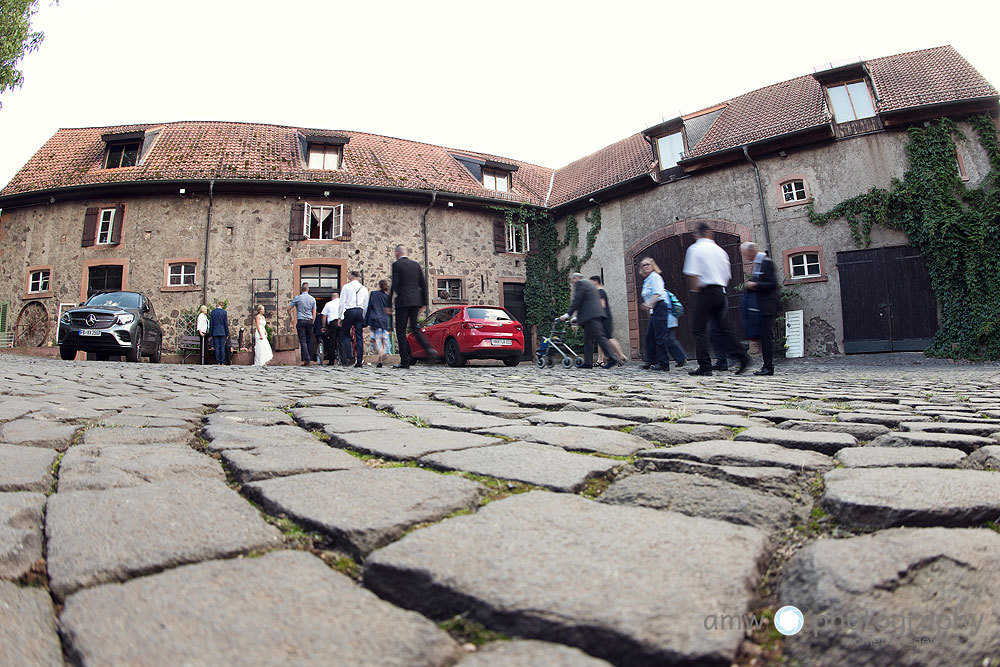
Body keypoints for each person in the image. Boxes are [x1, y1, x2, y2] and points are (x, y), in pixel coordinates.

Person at [682, 222, 751, 376]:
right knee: (722, 329)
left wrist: (696, 291)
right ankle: (742, 356)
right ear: (710, 233)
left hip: (704, 292)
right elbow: (727, 275)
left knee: (698, 330)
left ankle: (705, 367)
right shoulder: (721, 251)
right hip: (720, 291)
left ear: (696, 234)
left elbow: (692, 274)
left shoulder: (695, 249)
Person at [387, 244, 435, 369]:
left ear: (397, 253)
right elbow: (423, 284)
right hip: (415, 301)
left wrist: (388, 303)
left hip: (403, 301)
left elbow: (394, 284)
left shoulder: (397, 265)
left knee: (401, 331)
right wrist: (424, 302)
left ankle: (405, 361)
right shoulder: (416, 265)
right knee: (414, 328)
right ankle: (428, 349)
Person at [560, 273, 620, 369]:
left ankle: (613, 358)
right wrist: (577, 318)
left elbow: (577, 300)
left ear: (576, 278)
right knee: (588, 339)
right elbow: (586, 302)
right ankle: (588, 362)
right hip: (592, 315)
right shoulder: (590, 285)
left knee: (600, 337)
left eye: (572, 281)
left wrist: (568, 314)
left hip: (591, 316)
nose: (573, 283)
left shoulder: (580, 283)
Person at [741, 241, 778, 376]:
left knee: (766, 337)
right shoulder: (758, 264)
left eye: (745, 254)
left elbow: (772, 283)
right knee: (763, 337)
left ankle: (768, 367)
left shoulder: (766, 262)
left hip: (767, 306)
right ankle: (766, 365)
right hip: (761, 306)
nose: (745, 257)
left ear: (752, 251)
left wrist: (755, 285)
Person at [638, 258, 672, 370]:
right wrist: (650, 309)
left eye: (648, 264)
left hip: (660, 307)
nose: (646, 266)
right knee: (649, 336)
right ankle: (651, 360)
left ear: (652, 265)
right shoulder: (646, 280)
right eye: (643, 265)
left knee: (660, 336)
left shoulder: (655, 277)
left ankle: (664, 363)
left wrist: (648, 304)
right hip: (654, 310)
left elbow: (657, 293)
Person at [589, 276, 626, 366]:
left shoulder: (600, 292)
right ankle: (600, 360)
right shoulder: (599, 292)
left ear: (596, 282)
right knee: (601, 339)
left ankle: (621, 356)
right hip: (601, 318)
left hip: (604, 318)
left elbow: (602, 305)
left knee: (609, 338)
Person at [338, 270, 369, 368]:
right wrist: (364, 316)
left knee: (344, 334)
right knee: (359, 336)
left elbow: (342, 302)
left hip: (350, 311)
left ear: (351, 276)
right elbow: (366, 304)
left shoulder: (346, 287)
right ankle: (359, 359)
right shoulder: (363, 289)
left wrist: (340, 316)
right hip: (359, 311)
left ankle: (349, 356)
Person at [288, 282, 317, 366]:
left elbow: (289, 308)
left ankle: (306, 358)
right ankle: (310, 358)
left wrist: (291, 318)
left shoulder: (297, 298)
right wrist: (313, 321)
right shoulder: (312, 299)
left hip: (301, 320)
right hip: (309, 320)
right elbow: (314, 312)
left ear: (301, 289)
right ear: (308, 289)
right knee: (310, 340)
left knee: (303, 340)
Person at [366, 279, 392, 368]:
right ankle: (380, 360)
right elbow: (390, 312)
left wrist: (365, 320)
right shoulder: (388, 297)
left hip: (375, 320)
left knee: (375, 339)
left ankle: (381, 353)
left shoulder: (374, 294)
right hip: (384, 321)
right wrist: (391, 325)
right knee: (383, 340)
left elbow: (369, 307)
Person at [320, 289, 341, 366]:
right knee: (342, 340)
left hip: (333, 323)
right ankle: (344, 359)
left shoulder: (329, 304)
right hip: (342, 322)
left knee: (332, 342)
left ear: (332, 298)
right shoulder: (343, 303)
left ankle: (331, 360)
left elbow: (324, 316)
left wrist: (323, 326)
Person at [208, 300, 229, 365]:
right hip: (222, 332)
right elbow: (225, 323)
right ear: (222, 306)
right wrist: (227, 333)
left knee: (216, 347)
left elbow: (211, 324)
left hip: (215, 332)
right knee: (222, 347)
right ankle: (222, 361)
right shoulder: (224, 312)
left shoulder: (213, 313)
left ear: (217, 305)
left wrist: (211, 333)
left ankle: (218, 360)